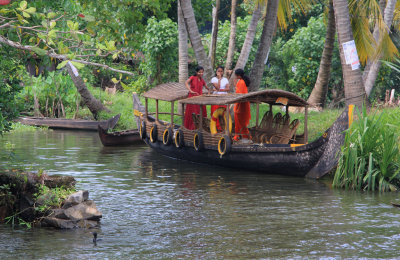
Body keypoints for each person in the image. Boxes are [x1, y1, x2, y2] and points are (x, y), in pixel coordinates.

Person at [233, 68, 251, 141]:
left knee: (240, 121)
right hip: (242, 103)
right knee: (241, 121)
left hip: (241, 104)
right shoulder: (241, 81)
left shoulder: (241, 82)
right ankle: (241, 136)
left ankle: (243, 136)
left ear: (238, 75)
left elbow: (240, 94)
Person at [210, 66, 230, 131]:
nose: (220, 72)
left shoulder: (225, 79)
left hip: (224, 98)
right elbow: (217, 88)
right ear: (216, 72)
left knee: (225, 112)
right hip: (215, 98)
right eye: (218, 71)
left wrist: (220, 90)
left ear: (223, 72)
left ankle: (225, 127)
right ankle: (216, 128)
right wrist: (219, 79)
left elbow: (228, 89)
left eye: (221, 71)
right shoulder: (213, 79)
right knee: (215, 112)